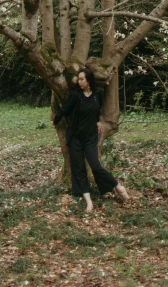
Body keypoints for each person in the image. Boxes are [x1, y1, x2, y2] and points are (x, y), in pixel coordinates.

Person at [53, 67, 129, 212]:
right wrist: (56, 120)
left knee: (95, 165)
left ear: (89, 81)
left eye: (82, 79)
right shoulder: (76, 95)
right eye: (79, 79)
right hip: (75, 138)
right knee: (79, 169)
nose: (79, 81)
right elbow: (65, 109)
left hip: (90, 137)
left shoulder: (96, 95)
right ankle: (89, 202)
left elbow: (96, 111)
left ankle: (118, 187)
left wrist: (97, 121)